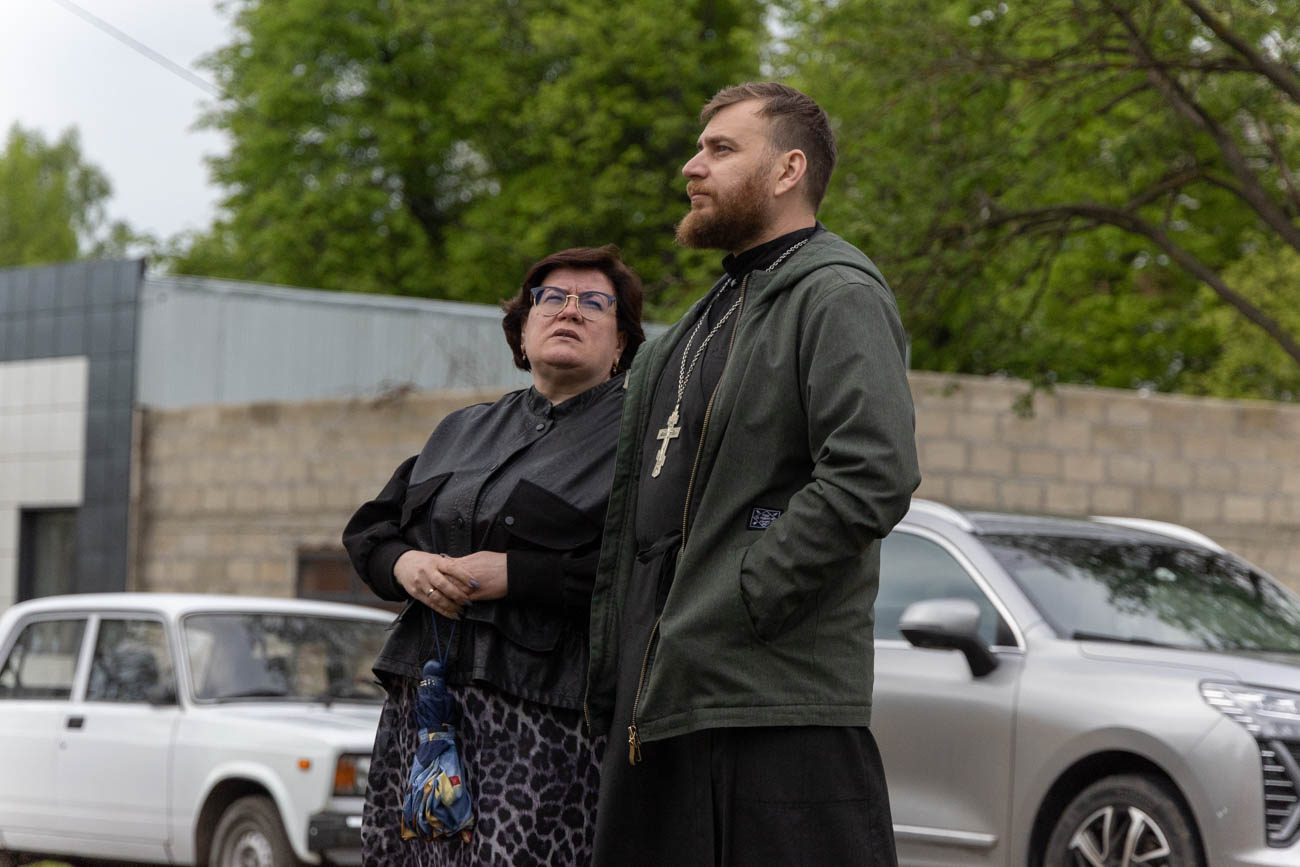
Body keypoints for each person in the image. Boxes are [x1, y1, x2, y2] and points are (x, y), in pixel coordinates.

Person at [585, 82, 921, 867]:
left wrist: (746, 595)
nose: (691, 166)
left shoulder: (836, 294)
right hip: (666, 706)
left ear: (787, 170)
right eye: (699, 147)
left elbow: (872, 471)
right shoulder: (695, 325)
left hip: (774, 711)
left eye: (720, 149)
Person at [343, 245, 645, 866]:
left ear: (620, 343)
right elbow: (371, 531)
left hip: (544, 717)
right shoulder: (461, 430)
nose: (570, 311)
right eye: (552, 299)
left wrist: (516, 574)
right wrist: (405, 566)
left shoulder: (642, 438)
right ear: (523, 330)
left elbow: (651, 568)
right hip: (426, 711)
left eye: (594, 303)